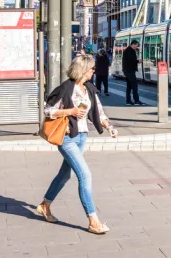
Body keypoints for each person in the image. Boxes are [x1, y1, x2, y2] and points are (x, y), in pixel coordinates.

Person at [38, 54, 117, 234]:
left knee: (64, 175)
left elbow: (99, 111)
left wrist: (109, 127)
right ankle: (93, 221)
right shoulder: (66, 88)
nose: (93, 71)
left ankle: (45, 205)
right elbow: (47, 110)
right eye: (91, 69)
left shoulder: (89, 88)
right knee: (85, 175)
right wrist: (70, 111)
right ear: (82, 70)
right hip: (66, 137)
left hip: (81, 137)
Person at [122, 40, 143, 106]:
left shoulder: (128, 50)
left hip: (128, 70)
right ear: (133, 44)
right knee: (134, 85)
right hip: (129, 70)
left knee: (129, 86)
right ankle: (136, 100)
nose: (136, 47)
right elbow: (131, 60)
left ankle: (128, 101)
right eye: (136, 45)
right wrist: (138, 61)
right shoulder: (129, 50)